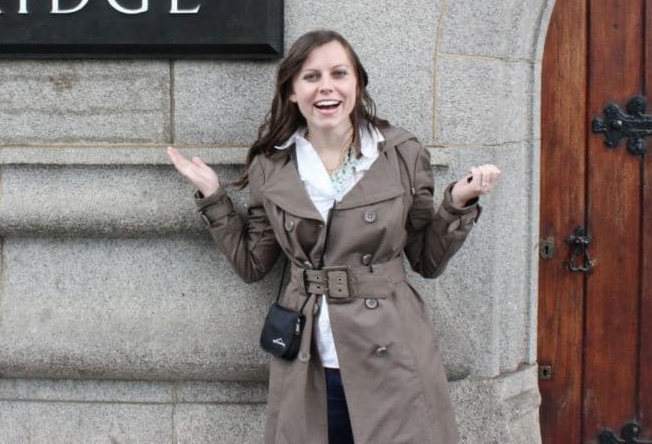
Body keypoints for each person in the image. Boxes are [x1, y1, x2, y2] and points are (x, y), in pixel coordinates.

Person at [167, 29, 499, 444]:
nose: (326, 87)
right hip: (308, 356)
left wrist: (459, 201)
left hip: (392, 350)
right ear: (291, 90)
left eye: (339, 73)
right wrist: (214, 196)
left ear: (356, 84)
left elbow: (427, 260)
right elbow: (254, 265)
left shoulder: (401, 152)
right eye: (311, 77)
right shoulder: (271, 165)